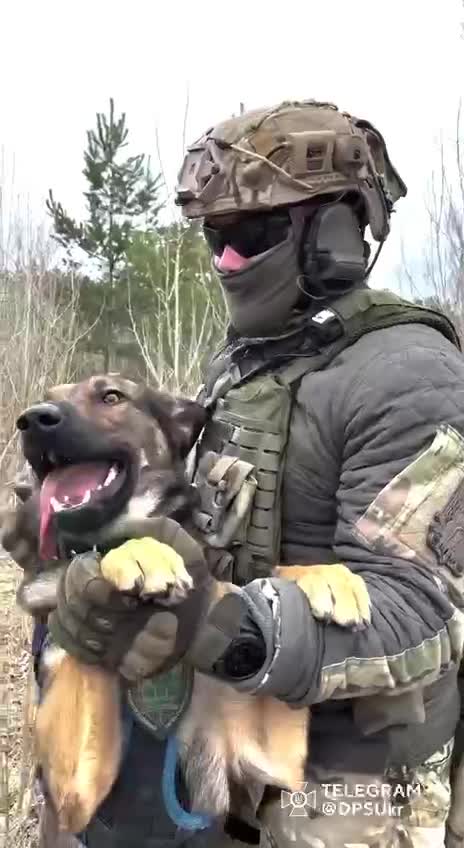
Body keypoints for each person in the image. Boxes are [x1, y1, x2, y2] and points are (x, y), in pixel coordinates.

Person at [12, 99, 464, 848]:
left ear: (339, 234)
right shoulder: (253, 361)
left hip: (350, 779)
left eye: (250, 235)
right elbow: (215, 529)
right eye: (215, 237)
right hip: (230, 739)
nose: (226, 260)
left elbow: (422, 615)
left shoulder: (409, 377)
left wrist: (224, 627)